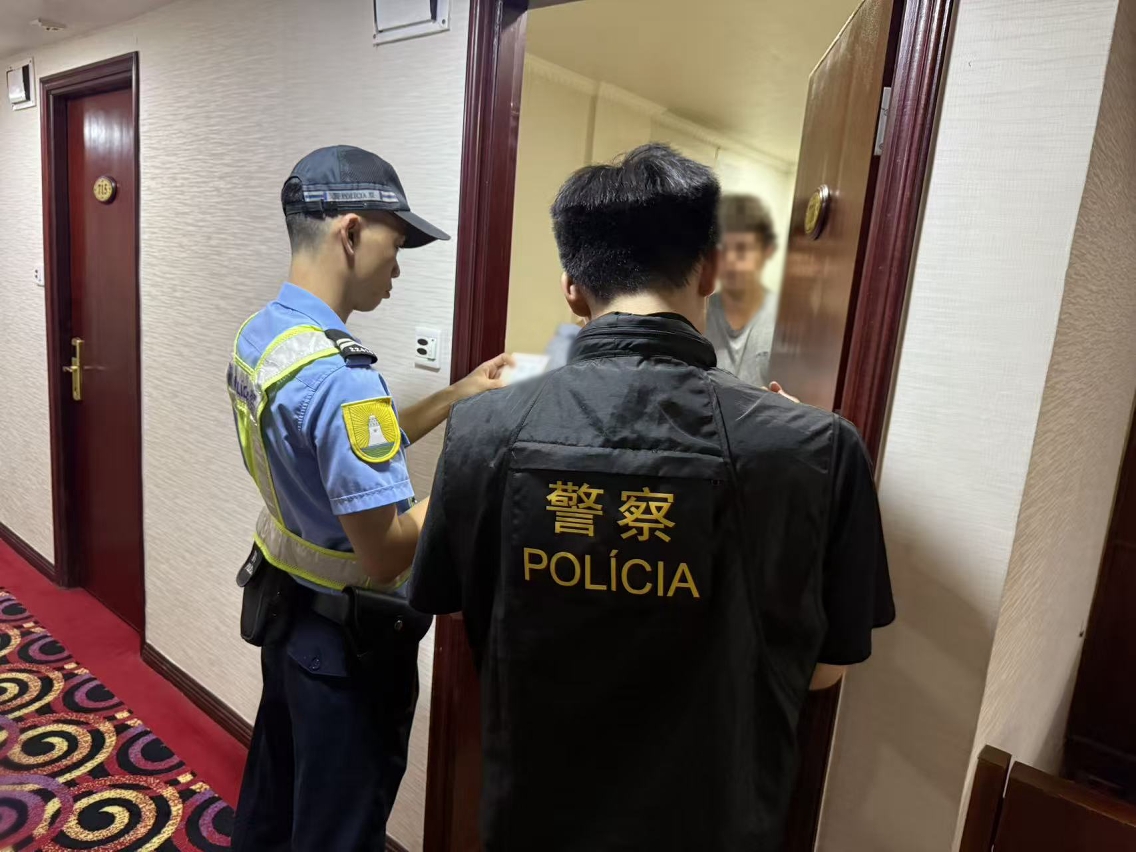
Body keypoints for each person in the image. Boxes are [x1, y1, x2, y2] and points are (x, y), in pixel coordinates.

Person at [408, 144, 894, 851]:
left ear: (573, 289)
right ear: (710, 271)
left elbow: (462, 608)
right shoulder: (819, 449)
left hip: (535, 821)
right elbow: (824, 672)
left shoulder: (481, 428)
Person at [225, 145, 509, 851]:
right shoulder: (344, 376)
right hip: (346, 649)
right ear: (350, 232)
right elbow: (384, 553)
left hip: (287, 615)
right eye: (397, 243)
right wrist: (477, 466)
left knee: (273, 807)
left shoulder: (267, 337)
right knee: (340, 832)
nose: (399, 265)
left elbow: (344, 453)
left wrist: (459, 393)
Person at [705, 193, 780, 387]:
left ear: (767, 251)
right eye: (723, 250)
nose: (730, 261)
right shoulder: (698, 315)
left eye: (742, 249)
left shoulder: (784, 319)